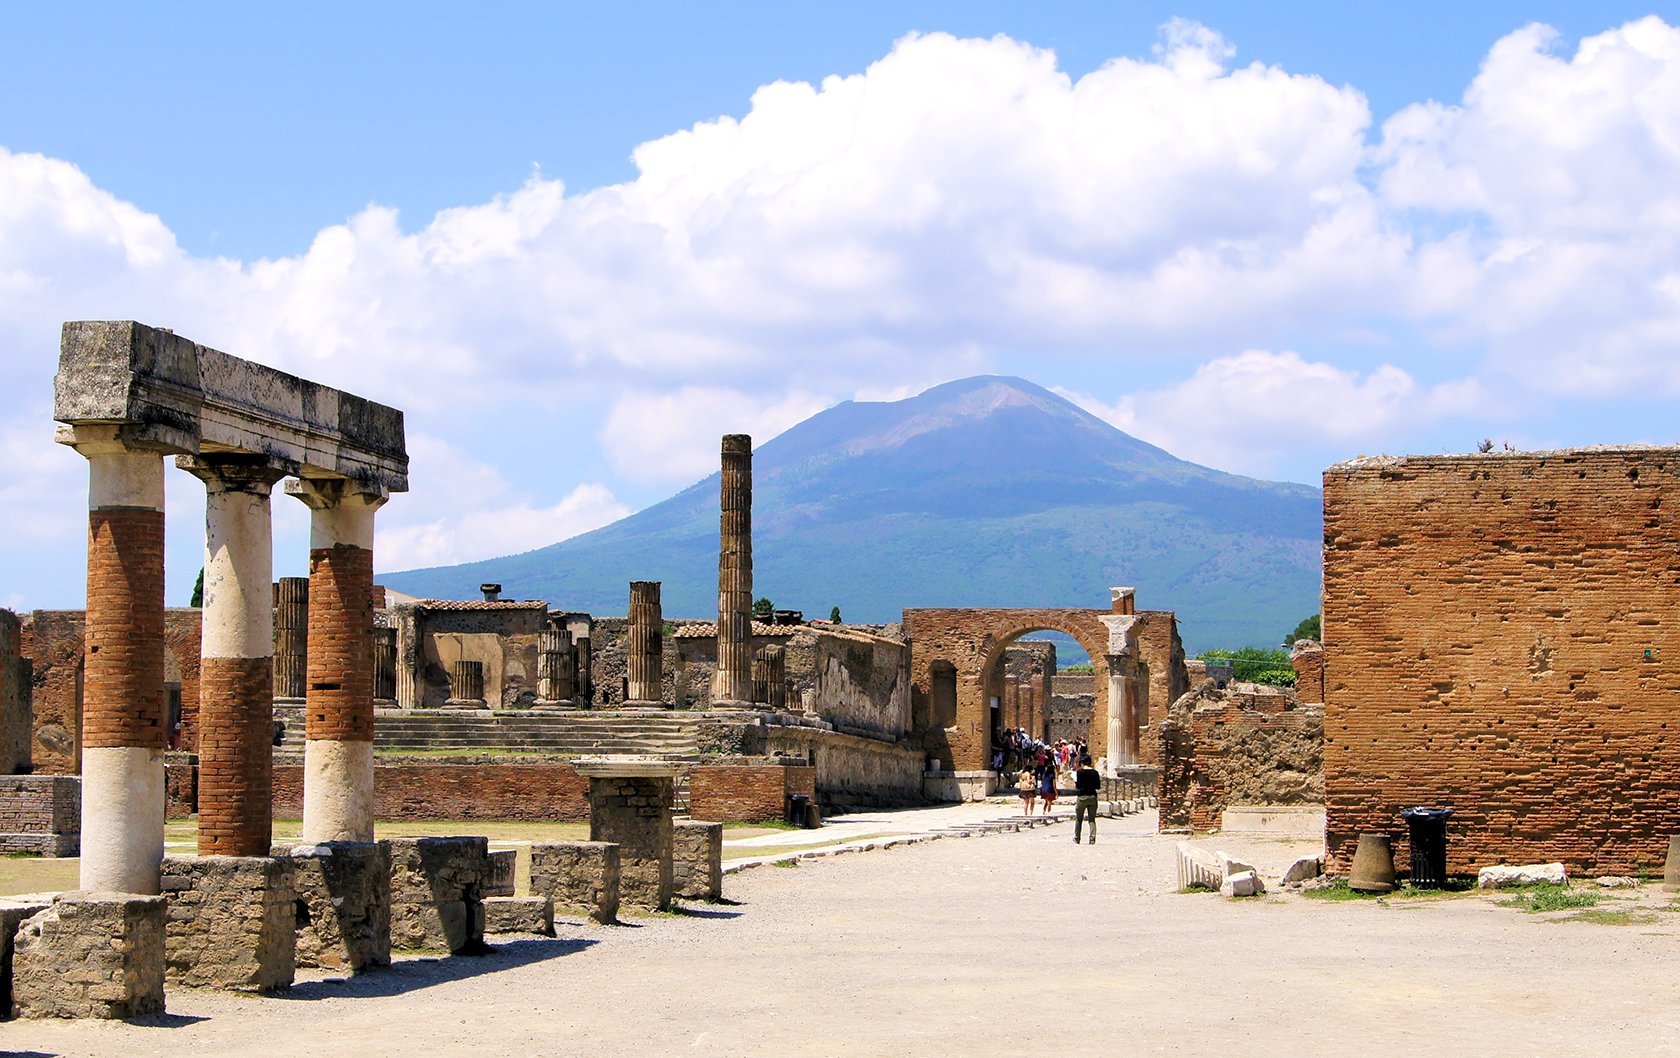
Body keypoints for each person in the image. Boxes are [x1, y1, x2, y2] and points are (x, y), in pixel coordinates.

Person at [1074, 754, 1101, 844]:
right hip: (1092, 796)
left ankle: (1077, 838)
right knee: (1092, 819)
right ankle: (1092, 839)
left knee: (1079, 819)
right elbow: (1098, 786)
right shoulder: (1095, 773)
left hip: (1082, 797)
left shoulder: (1079, 773)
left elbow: (1078, 786)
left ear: (1082, 763)